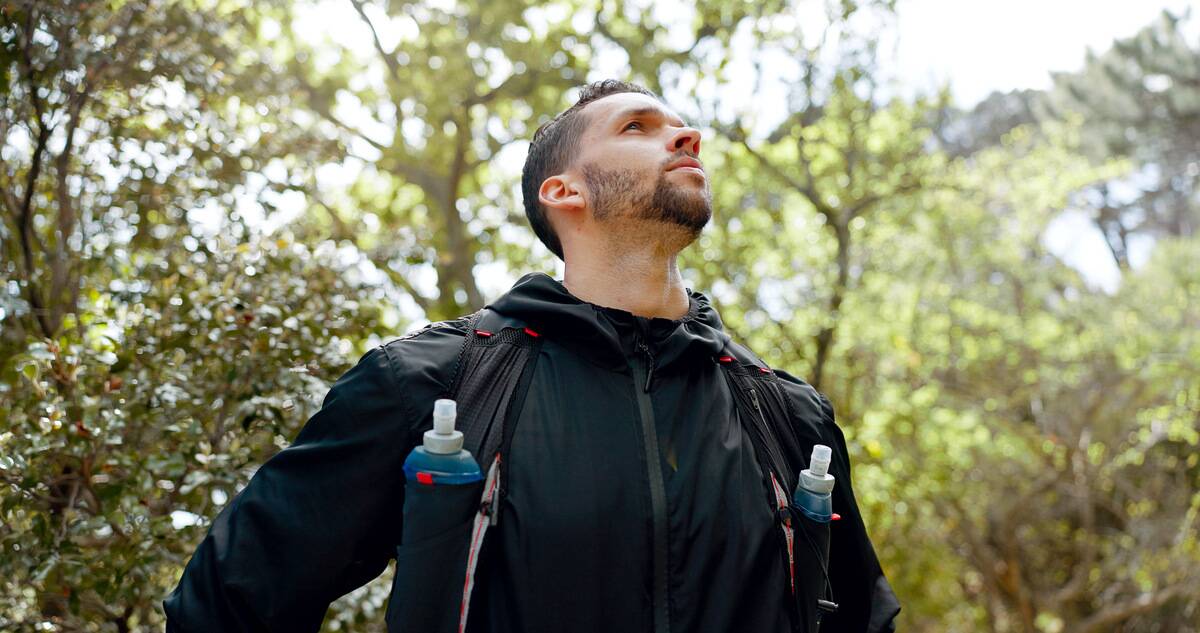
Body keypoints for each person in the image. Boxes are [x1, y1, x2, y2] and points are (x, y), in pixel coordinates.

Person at [164, 79, 900, 633]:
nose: (686, 137)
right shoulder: (431, 383)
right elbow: (227, 601)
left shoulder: (789, 415)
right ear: (564, 190)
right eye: (639, 127)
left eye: (681, 126)